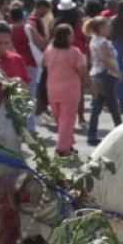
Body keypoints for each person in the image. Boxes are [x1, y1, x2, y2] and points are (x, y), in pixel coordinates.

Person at [41, 21, 88, 153]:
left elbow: (44, 64)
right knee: (67, 120)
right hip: (70, 91)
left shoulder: (49, 50)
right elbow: (82, 70)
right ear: (68, 36)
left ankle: (68, 144)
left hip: (52, 89)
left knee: (61, 121)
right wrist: (91, 84)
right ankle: (62, 148)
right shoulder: (74, 52)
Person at [84, 16, 123, 145]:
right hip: (105, 75)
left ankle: (91, 134)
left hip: (96, 74)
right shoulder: (103, 42)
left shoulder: (94, 40)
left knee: (97, 105)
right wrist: (117, 72)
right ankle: (121, 131)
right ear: (100, 28)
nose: (109, 28)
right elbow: (105, 59)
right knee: (113, 105)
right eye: (107, 26)